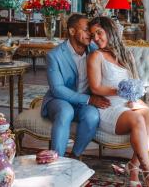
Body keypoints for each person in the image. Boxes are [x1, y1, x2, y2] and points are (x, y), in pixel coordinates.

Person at [87, 16, 149, 187]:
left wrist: (135, 99)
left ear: (109, 31)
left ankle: (133, 166)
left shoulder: (127, 55)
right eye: (93, 35)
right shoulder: (96, 56)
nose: (96, 38)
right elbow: (95, 88)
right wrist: (120, 91)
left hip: (126, 103)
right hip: (108, 106)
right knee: (137, 119)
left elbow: (134, 82)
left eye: (99, 33)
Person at [41, 13, 110, 158]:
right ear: (72, 31)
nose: (90, 35)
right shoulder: (55, 55)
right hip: (59, 100)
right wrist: (89, 99)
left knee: (92, 115)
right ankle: (57, 159)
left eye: (90, 31)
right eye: (85, 30)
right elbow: (57, 89)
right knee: (66, 111)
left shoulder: (95, 50)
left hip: (83, 103)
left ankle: (75, 156)